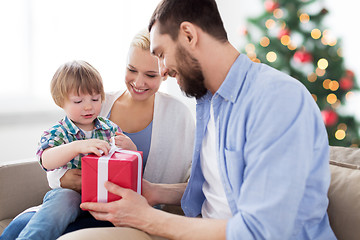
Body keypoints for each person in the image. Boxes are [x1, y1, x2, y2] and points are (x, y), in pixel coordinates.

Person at [58, 0, 337, 239]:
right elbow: (219, 193)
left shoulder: (276, 99)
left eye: (161, 54)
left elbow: (262, 230)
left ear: (189, 35)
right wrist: (153, 192)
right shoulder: (209, 102)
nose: (163, 70)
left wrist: (148, 218)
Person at [1, 30, 195, 239]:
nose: (138, 82)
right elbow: (52, 161)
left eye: (150, 75)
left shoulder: (176, 116)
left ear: (165, 72)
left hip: (120, 209)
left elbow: (194, 180)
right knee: (23, 225)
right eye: (131, 69)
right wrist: (64, 178)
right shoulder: (96, 103)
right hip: (72, 201)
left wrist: (132, 153)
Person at [0, 60, 137, 240]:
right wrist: (77, 147)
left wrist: (131, 147)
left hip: (104, 196)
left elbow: (127, 160)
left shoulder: (109, 128)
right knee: (65, 198)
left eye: (95, 99)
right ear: (60, 101)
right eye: (78, 101)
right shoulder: (59, 132)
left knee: (135, 203)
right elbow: (46, 160)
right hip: (71, 196)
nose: (88, 106)